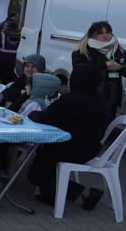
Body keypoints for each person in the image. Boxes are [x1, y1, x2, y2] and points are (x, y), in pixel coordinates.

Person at [27, 65, 112, 209]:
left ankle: (84, 192)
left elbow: (47, 117)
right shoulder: (101, 101)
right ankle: (51, 195)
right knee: (43, 159)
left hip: (70, 148)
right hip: (91, 148)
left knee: (35, 173)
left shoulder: (73, 99)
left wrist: (32, 114)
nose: (68, 82)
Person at [71, 20, 126, 120]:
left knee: (107, 128)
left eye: (108, 32)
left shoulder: (118, 50)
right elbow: (78, 68)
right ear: (93, 35)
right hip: (89, 99)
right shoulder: (84, 50)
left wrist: (120, 67)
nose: (105, 35)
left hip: (111, 100)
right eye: (100, 33)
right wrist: (102, 64)